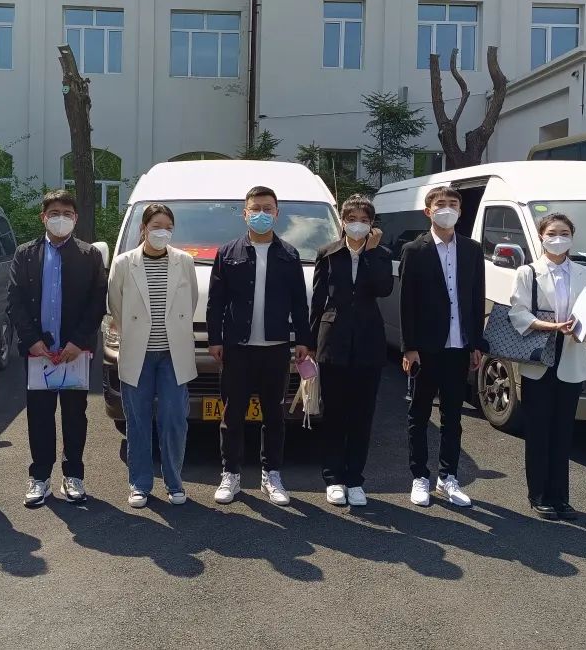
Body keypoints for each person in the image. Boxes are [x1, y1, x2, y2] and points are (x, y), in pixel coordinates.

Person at [206, 185, 312, 506]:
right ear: (245, 213)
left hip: (276, 348)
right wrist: (214, 340)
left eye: (268, 209)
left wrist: (303, 340)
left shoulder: (289, 255)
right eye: (255, 209)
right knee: (232, 414)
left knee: (274, 415)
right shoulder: (228, 253)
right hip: (237, 348)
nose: (261, 214)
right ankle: (231, 474)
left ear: (277, 214)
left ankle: (272, 474)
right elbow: (215, 302)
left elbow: (299, 303)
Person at [8, 189, 107, 507]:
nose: (60, 219)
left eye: (67, 213)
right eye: (54, 213)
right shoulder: (26, 254)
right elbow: (15, 301)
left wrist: (78, 341)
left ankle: (73, 475)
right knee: (39, 415)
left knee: (75, 415)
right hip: (38, 352)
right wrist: (32, 341)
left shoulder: (90, 255)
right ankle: (40, 477)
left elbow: (97, 301)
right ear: (43, 217)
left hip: (75, 352)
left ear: (75, 218)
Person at [108, 203, 199, 508]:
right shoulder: (124, 263)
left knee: (174, 419)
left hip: (174, 354)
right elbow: (116, 305)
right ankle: (139, 483)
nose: (163, 232)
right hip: (138, 352)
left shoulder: (184, 261)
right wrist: (134, 334)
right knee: (137, 421)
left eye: (168, 227)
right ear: (143, 228)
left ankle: (174, 482)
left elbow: (190, 301)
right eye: (156, 226)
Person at [399, 186, 485, 509]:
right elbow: (406, 302)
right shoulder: (414, 250)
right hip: (425, 347)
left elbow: (476, 298)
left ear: (460, 211)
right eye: (440, 204)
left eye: (453, 204)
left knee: (453, 416)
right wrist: (409, 347)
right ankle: (420, 476)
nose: (447, 209)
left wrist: (476, 343)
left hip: (459, 346)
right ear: (428, 211)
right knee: (419, 414)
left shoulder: (472, 250)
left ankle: (448, 477)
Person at [509, 213, 586, 521]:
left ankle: (561, 497)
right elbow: (518, 312)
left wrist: (582, 329)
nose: (558, 238)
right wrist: (550, 326)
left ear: (572, 237)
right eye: (552, 233)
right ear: (541, 237)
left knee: (563, 432)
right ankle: (539, 495)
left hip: (571, 356)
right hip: (539, 358)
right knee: (538, 430)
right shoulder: (528, 272)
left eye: (564, 233)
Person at [310, 194, 394, 508]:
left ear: (372, 224)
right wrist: (309, 343)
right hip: (333, 340)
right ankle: (333, 478)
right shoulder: (328, 253)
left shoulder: (382, 254)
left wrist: (370, 253)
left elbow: (383, 288)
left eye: (364, 220)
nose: (358, 225)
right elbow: (318, 301)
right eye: (352, 219)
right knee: (334, 414)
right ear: (342, 222)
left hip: (369, 342)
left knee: (362, 414)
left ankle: (355, 478)